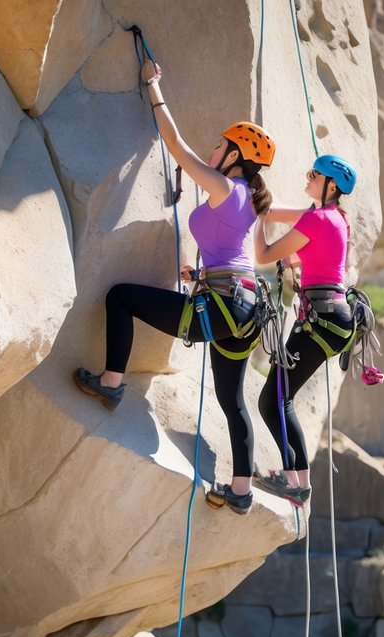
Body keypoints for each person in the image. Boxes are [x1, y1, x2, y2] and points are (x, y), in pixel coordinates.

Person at [74, 58, 275, 515]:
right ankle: (240, 492)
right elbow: (238, 254)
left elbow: (177, 148)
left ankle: (111, 383)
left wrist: (153, 86)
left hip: (226, 305)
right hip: (244, 309)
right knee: (231, 400)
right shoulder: (246, 200)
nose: (214, 147)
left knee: (120, 296)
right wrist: (201, 275)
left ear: (236, 157)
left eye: (222, 144)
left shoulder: (227, 187)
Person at [250, 154, 359, 506]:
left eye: (313, 174)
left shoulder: (317, 218)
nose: (307, 176)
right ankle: (296, 482)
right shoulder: (337, 218)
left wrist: (253, 220)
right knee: (280, 398)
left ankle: (296, 483)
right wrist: (259, 203)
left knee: (272, 400)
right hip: (332, 320)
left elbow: (265, 252)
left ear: (331, 185)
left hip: (321, 321)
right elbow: (290, 225)